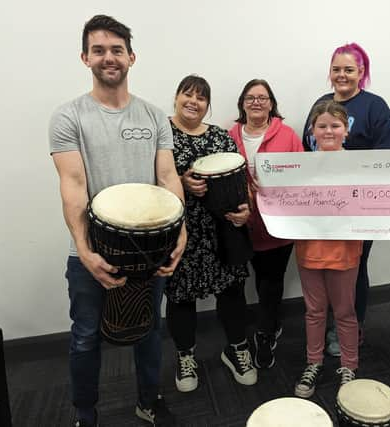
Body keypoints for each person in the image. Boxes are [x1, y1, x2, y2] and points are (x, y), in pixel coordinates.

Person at [49, 15, 185, 427]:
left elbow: (167, 177)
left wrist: (180, 232)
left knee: (148, 330)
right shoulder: (68, 117)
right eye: (99, 50)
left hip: (151, 246)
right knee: (87, 336)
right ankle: (85, 415)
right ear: (85, 57)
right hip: (91, 252)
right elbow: (73, 186)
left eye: (116, 50)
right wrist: (86, 251)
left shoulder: (154, 116)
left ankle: (148, 399)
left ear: (131, 57)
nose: (109, 57)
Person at [301, 42, 390, 356]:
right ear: (330, 73)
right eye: (336, 69)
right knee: (320, 266)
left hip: (359, 207)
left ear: (362, 72)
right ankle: (324, 323)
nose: (342, 75)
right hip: (321, 205)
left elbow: (388, 159)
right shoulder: (320, 102)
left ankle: (349, 328)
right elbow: (308, 151)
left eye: (349, 69)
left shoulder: (375, 107)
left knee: (354, 266)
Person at [164, 75, 258, 395]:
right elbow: (147, 180)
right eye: (187, 94)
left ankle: (236, 349)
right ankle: (185, 356)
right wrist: (181, 181)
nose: (193, 101)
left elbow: (239, 179)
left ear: (208, 105)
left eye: (201, 97)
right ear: (176, 97)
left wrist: (245, 210)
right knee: (181, 296)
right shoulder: (161, 136)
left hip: (222, 230)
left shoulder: (220, 137)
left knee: (232, 292)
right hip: (181, 231)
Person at [228, 79, 304, 368]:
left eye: (263, 97)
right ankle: (267, 321)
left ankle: (265, 332)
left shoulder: (288, 135)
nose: (257, 102)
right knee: (247, 282)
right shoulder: (228, 136)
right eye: (251, 97)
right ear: (242, 103)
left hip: (278, 225)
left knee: (270, 283)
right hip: (240, 226)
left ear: (272, 103)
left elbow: (301, 177)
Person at [293, 100, 362, 399]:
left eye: (335, 126)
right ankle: (314, 362)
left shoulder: (361, 166)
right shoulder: (300, 166)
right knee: (314, 311)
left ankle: (349, 366)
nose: (329, 131)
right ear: (312, 131)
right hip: (309, 248)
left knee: (345, 311)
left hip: (345, 250)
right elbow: (286, 200)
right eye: (322, 126)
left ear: (346, 131)